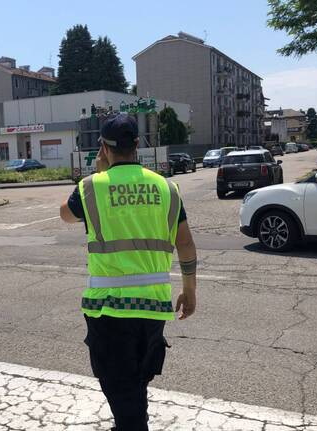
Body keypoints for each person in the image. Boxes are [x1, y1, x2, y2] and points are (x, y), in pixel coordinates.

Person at [60, 114, 197, 430]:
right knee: (135, 382)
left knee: (123, 392)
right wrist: (190, 290)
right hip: (153, 308)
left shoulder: (92, 187)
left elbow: (65, 216)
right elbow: (186, 245)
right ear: (137, 145)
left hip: (109, 308)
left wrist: (97, 176)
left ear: (103, 149)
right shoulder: (167, 188)